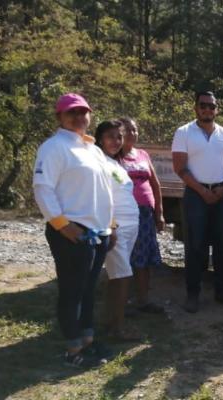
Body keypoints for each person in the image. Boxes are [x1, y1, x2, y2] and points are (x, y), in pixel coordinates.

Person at [33, 93, 116, 367]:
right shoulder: (53, 147)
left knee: (89, 290)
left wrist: (110, 226)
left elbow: (104, 190)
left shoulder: (92, 149)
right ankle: (72, 351)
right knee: (72, 291)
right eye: (72, 113)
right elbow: (43, 189)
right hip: (72, 231)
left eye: (84, 112)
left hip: (98, 231)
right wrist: (61, 225)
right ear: (60, 117)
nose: (79, 117)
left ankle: (88, 341)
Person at [171, 91, 223, 313]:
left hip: (221, 195)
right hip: (195, 195)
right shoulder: (184, 132)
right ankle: (193, 294)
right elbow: (180, 168)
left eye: (211, 106)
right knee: (195, 245)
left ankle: (222, 291)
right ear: (196, 108)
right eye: (203, 105)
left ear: (217, 109)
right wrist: (202, 191)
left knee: (222, 244)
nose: (207, 109)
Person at [95, 120, 142, 341]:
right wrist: (110, 226)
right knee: (123, 276)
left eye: (119, 137)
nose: (115, 141)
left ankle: (109, 321)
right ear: (100, 138)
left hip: (130, 226)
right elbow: (101, 198)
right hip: (115, 227)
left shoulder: (115, 163)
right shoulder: (98, 163)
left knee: (116, 276)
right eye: (110, 136)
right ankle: (118, 329)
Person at [119, 117, 165, 314]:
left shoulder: (143, 155)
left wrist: (159, 213)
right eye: (128, 130)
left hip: (146, 213)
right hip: (125, 214)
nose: (132, 133)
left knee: (144, 258)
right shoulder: (114, 157)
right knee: (126, 258)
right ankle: (123, 301)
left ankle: (143, 300)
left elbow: (155, 184)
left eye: (135, 129)